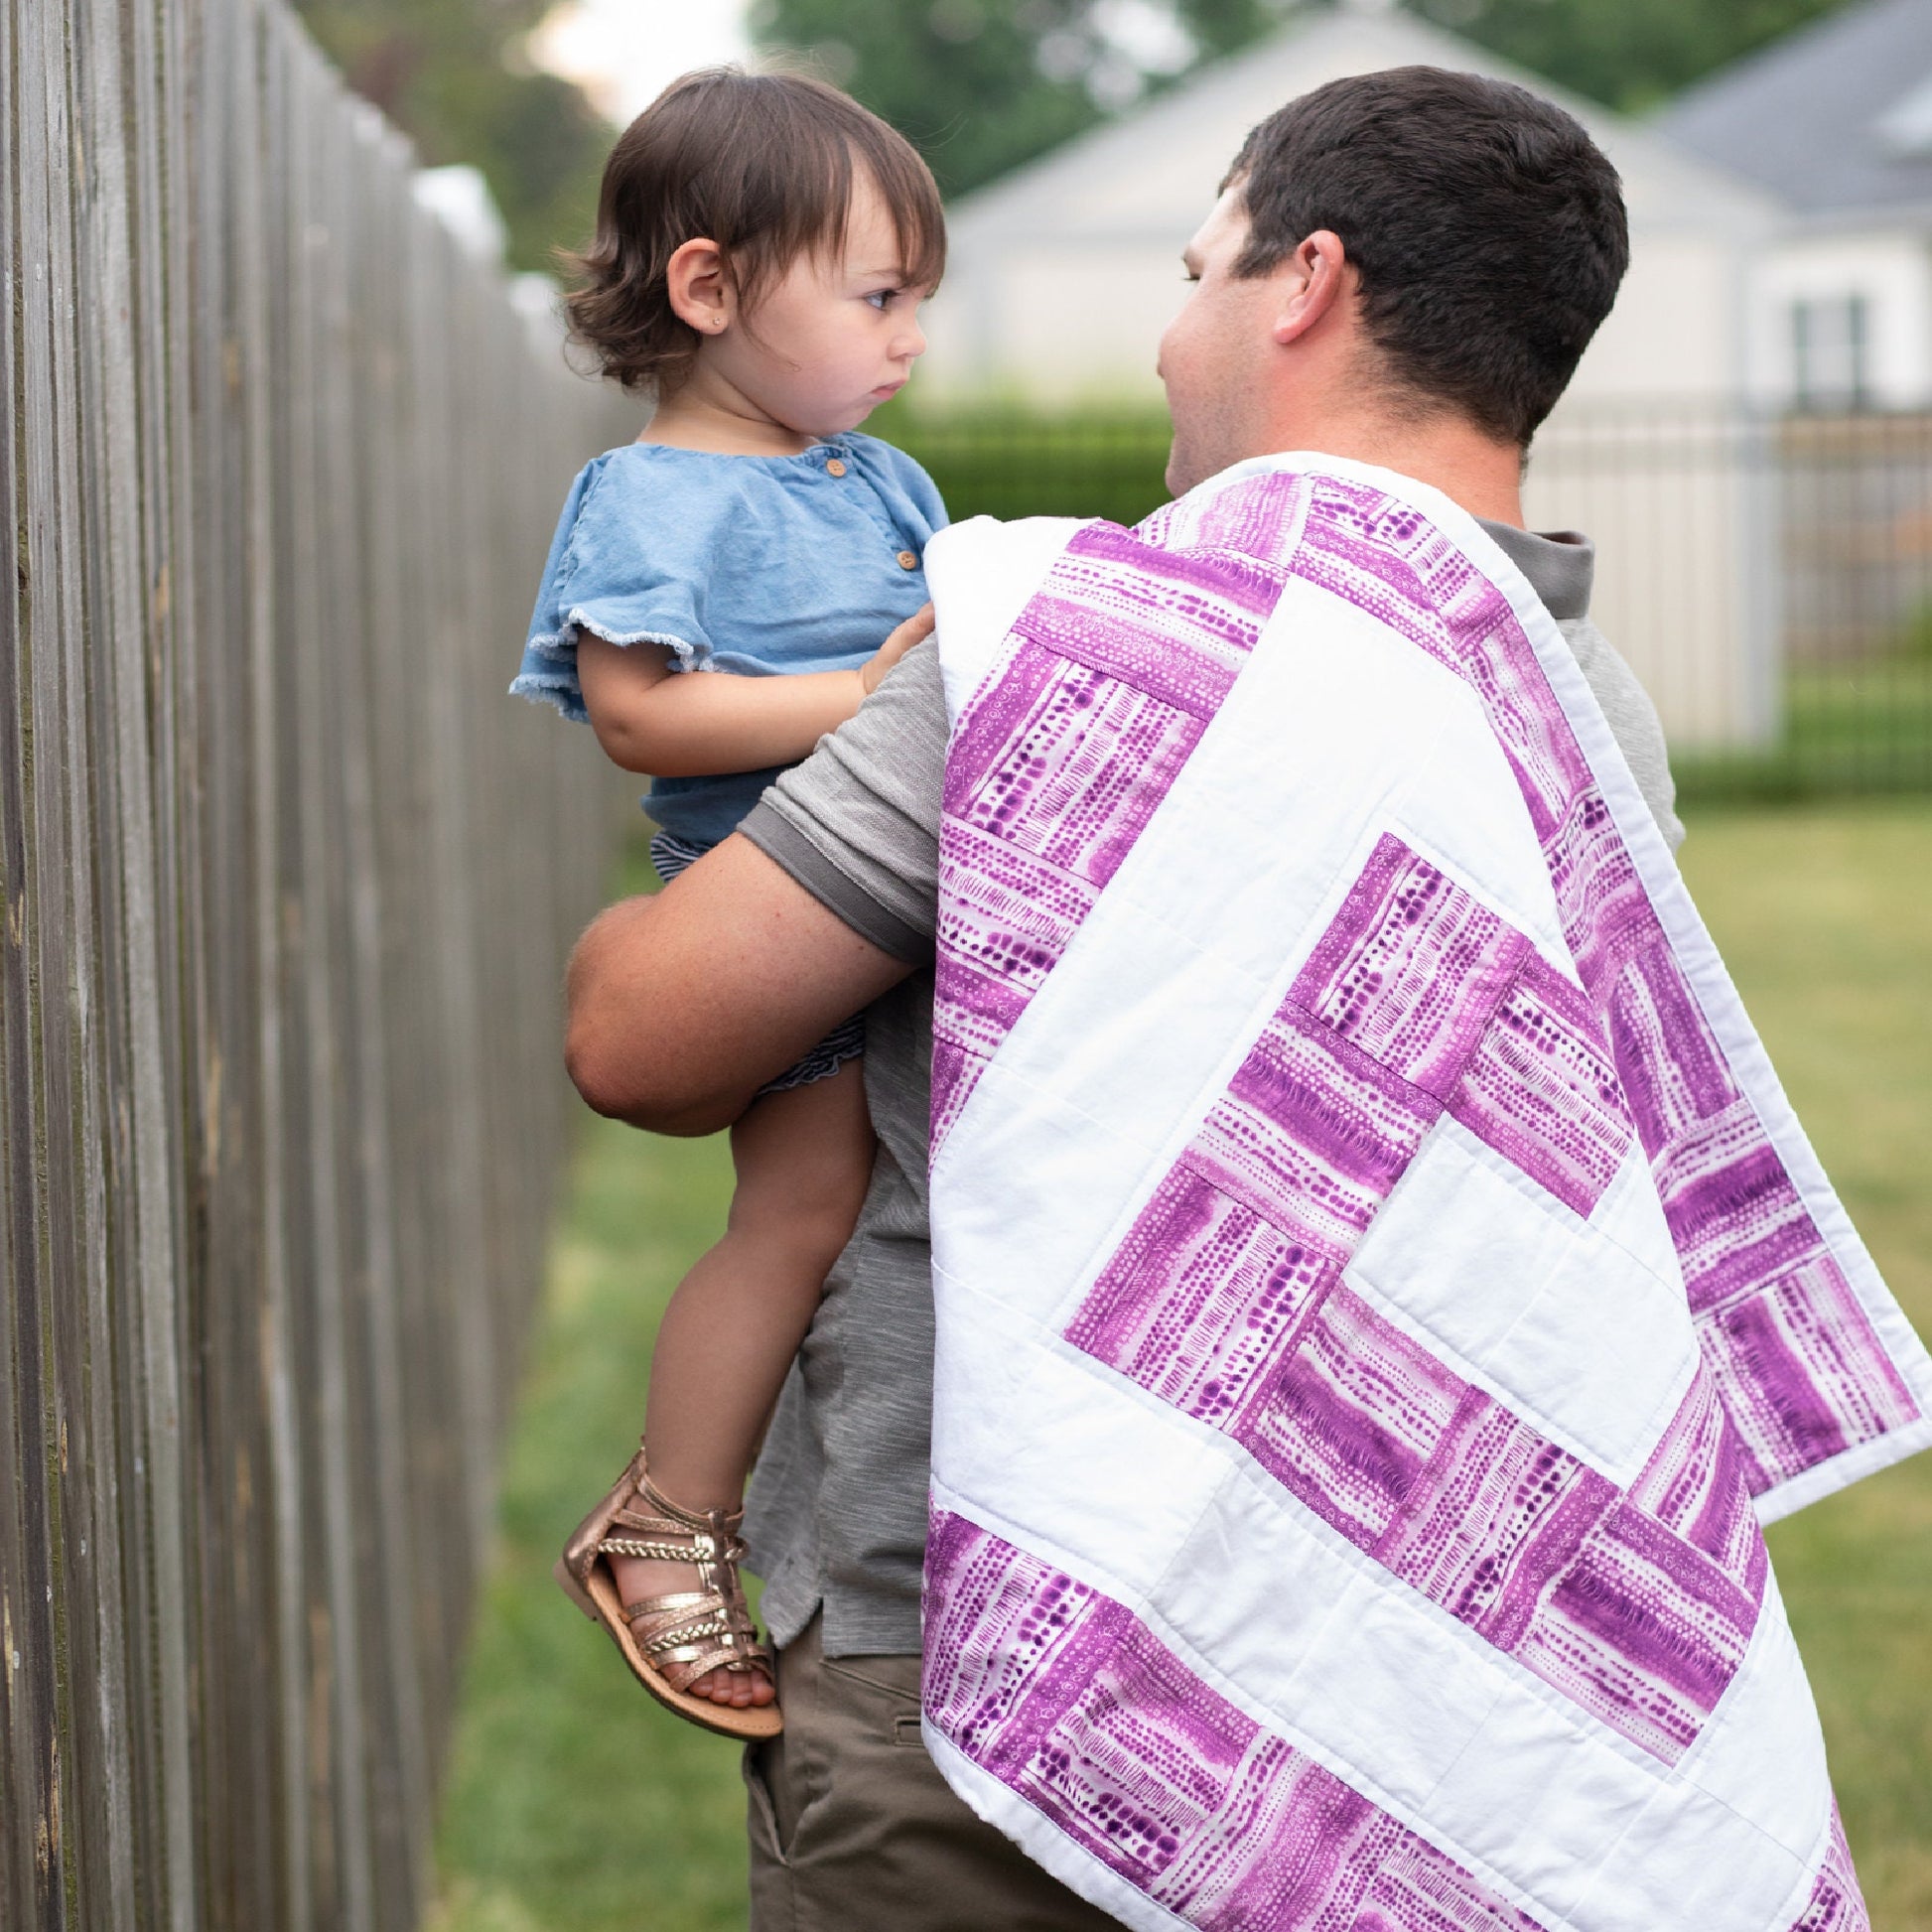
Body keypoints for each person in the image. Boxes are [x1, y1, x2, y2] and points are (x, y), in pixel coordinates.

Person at [565, 67, 1680, 1928]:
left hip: (978, 1651)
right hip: (1416, 1670)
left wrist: (627, 929)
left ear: (1300, 284)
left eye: (1193, 271)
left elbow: (641, 1043)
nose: (1168, 337)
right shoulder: (1593, 713)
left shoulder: (1078, 644)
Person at [511, 68, 946, 1737]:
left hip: (894, 894)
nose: (907, 337)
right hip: (760, 904)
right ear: (708, 288)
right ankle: (666, 1521)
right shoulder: (651, 500)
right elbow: (640, 715)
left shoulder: (875, 480)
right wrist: (873, 702)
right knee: (797, 1208)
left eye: (918, 298)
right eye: (876, 293)